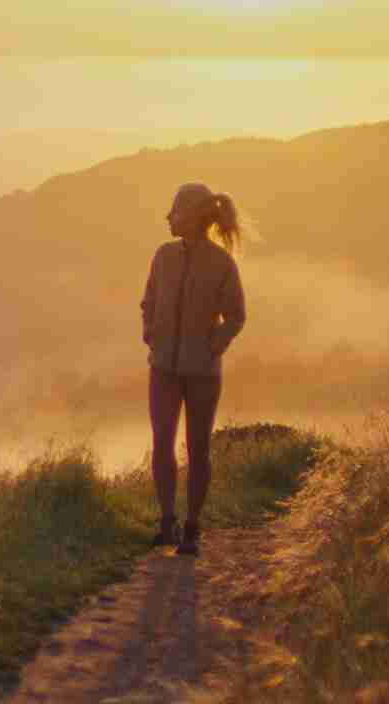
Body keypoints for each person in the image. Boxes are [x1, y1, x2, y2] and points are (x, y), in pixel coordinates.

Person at [140, 182, 247, 556]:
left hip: (203, 372)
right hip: (164, 368)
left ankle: (192, 528)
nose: (169, 217)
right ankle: (167, 523)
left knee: (198, 447)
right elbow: (148, 300)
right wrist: (150, 333)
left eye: (175, 211)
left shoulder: (222, 264)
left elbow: (236, 316)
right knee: (161, 442)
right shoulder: (163, 256)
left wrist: (211, 347)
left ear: (195, 217)